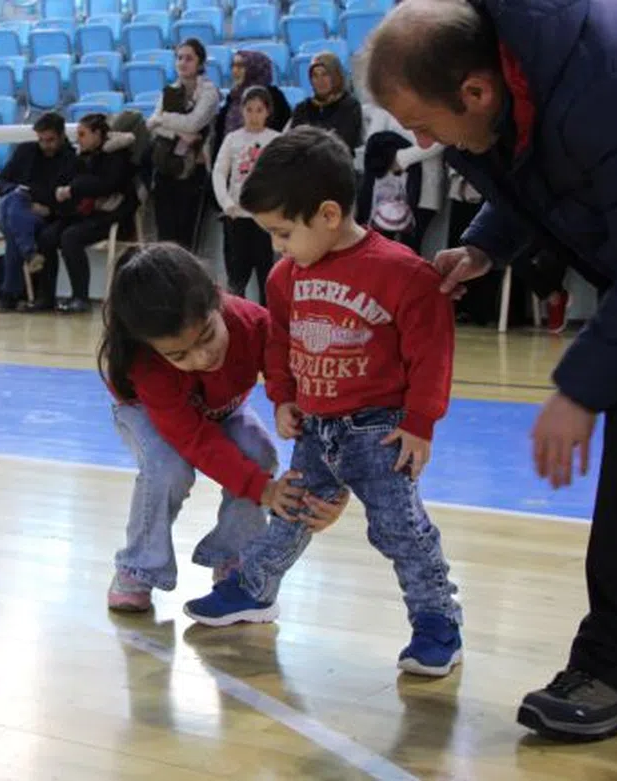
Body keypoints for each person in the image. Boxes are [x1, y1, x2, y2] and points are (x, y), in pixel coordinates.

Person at [361, 0, 617, 740]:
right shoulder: (514, 70)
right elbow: (540, 167)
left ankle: (616, 671)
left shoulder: (609, 84)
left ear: (475, 91)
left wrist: (581, 388)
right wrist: (486, 245)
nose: (417, 140)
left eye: (421, 121)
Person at [183, 127, 464, 679]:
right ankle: (255, 591)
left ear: (329, 214)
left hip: (379, 433)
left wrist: (420, 424)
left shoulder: (403, 273)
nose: (277, 247)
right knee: (290, 513)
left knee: (401, 531)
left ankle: (437, 622)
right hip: (316, 428)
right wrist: (283, 397)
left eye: (284, 232)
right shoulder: (287, 277)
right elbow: (279, 341)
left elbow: (433, 353)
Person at [98, 242, 350, 611]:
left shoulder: (253, 322)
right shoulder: (147, 367)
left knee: (259, 453)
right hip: (150, 415)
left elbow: (283, 366)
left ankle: (233, 557)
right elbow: (194, 440)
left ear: (217, 301)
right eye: (179, 355)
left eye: (206, 337)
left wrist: (283, 400)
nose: (202, 358)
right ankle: (139, 567)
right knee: (168, 468)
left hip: (221, 408)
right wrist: (262, 490)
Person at [42, 114, 137, 314]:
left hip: (113, 215)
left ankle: (80, 297)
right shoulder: (83, 156)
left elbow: (107, 185)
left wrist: (74, 188)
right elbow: (70, 181)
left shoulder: (117, 155)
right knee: (47, 235)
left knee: (70, 238)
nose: (79, 139)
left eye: (83, 134)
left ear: (97, 134)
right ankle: (46, 296)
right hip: (87, 212)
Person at [0, 111, 74, 312]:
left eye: (51, 140)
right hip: (11, 207)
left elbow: (62, 197)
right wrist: (17, 191)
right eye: (42, 140)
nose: (46, 145)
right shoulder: (25, 151)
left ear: (62, 136)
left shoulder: (70, 160)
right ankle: (28, 254)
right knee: (15, 200)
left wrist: (37, 202)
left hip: (39, 214)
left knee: (14, 229)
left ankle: (10, 293)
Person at [147, 38, 219, 250]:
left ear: (200, 63)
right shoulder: (169, 90)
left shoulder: (209, 92)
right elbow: (152, 124)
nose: (183, 63)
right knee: (165, 239)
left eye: (189, 58)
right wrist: (180, 134)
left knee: (187, 241)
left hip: (193, 170)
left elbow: (194, 122)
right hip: (166, 167)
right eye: (179, 58)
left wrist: (164, 119)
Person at [211, 86, 280, 305]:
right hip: (236, 218)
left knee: (266, 276)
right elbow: (219, 172)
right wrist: (226, 203)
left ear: (267, 112)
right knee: (236, 278)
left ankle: (268, 323)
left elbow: (283, 177)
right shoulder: (232, 138)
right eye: (249, 109)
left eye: (259, 110)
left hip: (264, 220)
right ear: (242, 111)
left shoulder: (276, 140)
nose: (254, 115)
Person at [287, 52, 363, 154]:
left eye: (325, 74)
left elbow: (343, 143)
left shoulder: (350, 106)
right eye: (315, 75)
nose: (320, 81)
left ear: (335, 76)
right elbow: (293, 143)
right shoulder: (302, 108)